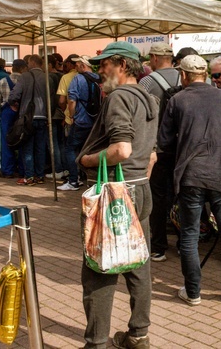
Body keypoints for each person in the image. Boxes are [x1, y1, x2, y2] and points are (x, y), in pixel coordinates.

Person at [157, 54, 221, 306]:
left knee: (190, 234)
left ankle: (193, 292)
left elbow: (164, 142)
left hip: (190, 174)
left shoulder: (177, 100)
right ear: (205, 74)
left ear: (183, 74)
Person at [76, 41, 158, 349]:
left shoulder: (120, 97)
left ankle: (96, 343)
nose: (99, 72)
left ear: (122, 64)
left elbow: (121, 149)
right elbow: (151, 155)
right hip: (139, 188)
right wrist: (138, 185)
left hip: (114, 192)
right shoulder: (150, 98)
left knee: (100, 268)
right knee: (138, 262)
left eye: (104, 64)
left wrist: (86, 160)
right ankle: (139, 335)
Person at [138, 42, 179, 260]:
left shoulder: (146, 81)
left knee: (158, 196)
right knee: (182, 194)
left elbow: (141, 113)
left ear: (154, 58)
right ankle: (184, 242)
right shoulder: (186, 77)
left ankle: (158, 245)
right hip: (185, 147)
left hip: (158, 147)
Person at [57, 56, 99, 191]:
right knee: (91, 149)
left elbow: (71, 100)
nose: (75, 66)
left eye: (77, 64)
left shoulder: (78, 78)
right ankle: (91, 179)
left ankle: (74, 180)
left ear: (82, 65)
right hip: (96, 121)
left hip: (81, 120)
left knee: (70, 148)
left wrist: (72, 114)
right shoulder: (98, 78)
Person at [8, 55, 48, 186]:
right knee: (40, 147)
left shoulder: (24, 77)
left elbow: (14, 94)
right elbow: (52, 98)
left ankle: (29, 176)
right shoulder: (48, 77)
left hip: (27, 117)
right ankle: (40, 175)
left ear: (31, 63)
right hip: (43, 116)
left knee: (27, 147)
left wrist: (13, 103)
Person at [0, 59, 26, 179]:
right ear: (23, 68)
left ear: (12, 68)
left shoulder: (3, 81)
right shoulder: (25, 81)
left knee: (6, 140)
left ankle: (7, 170)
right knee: (23, 139)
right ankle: (23, 169)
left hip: (6, 112)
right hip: (22, 112)